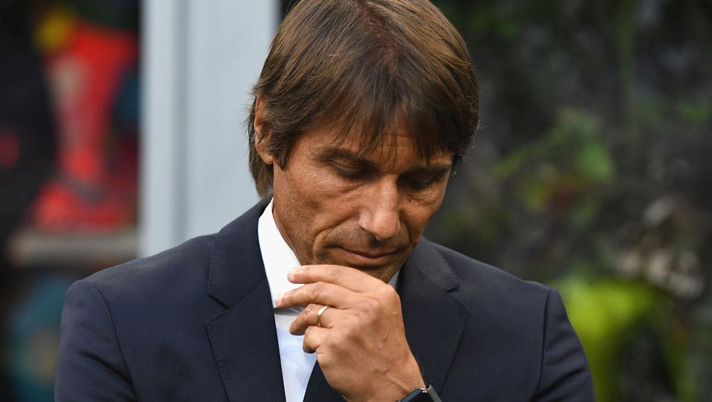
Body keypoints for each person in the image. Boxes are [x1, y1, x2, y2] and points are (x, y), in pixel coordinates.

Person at [55, 0, 594, 401]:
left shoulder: (528, 333)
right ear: (268, 133)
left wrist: (401, 395)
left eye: (420, 182)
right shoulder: (125, 320)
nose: (383, 222)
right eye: (350, 172)